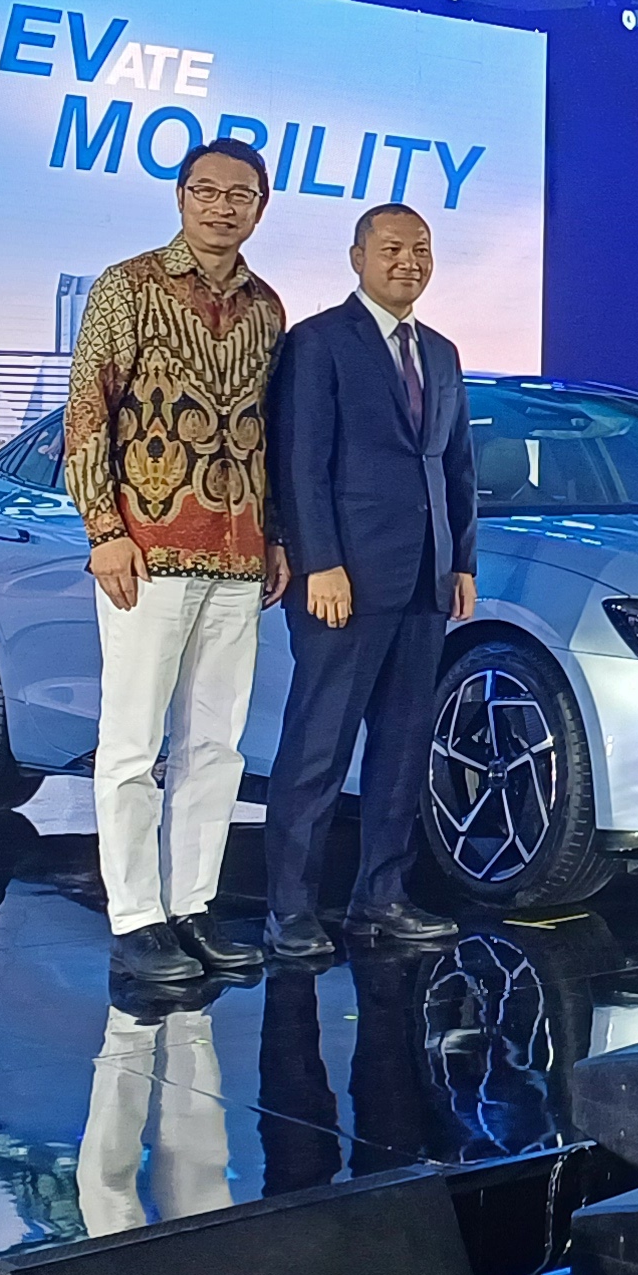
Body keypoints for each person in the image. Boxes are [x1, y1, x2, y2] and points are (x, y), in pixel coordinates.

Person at [66, 137, 288, 985]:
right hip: (146, 551)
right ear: (181, 196)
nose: (222, 207)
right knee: (131, 745)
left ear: (260, 207)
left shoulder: (267, 307)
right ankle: (135, 918)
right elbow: (88, 410)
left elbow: (272, 433)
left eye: (240, 195)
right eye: (207, 191)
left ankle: (193, 906)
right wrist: (104, 531)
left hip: (238, 557)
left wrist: (278, 537)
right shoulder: (127, 286)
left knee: (216, 747)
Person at [262, 202, 476, 960]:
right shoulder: (318, 342)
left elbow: (456, 468)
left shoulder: (441, 353)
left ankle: (380, 897)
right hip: (342, 581)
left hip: (424, 580)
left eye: (421, 249)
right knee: (318, 749)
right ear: (357, 257)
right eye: (391, 248)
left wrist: (461, 562)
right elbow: (301, 463)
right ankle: (289, 910)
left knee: (403, 747)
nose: (408, 261)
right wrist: (319, 561)